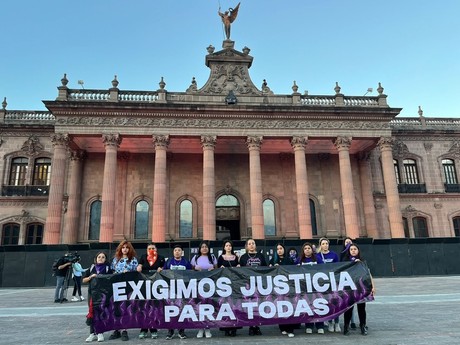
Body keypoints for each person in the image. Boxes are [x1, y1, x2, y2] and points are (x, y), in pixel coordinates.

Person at [342, 243, 376, 336]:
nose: (353, 251)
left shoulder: (362, 262)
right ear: (349, 251)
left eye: (355, 249)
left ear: (358, 251)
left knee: (362, 309)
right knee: (348, 308)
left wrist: (373, 286)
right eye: (351, 249)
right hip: (349, 289)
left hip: (361, 288)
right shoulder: (345, 262)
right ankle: (346, 327)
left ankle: (363, 326)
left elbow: (368, 274)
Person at [108, 240, 138, 342]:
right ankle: (117, 330)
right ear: (120, 249)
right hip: (116, 286)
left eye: (127, 247)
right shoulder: (115, 260)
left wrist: (129, 273)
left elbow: (136, 274)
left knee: (125, 308)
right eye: (123, 247)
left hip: (127, 287)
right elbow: (112, 271)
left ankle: (125, 330)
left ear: (130, 249)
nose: (125, 249)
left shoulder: (133, 260)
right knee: (115, 308)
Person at [136, 242, 165, 339]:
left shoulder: (161, 258)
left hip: (156, 286)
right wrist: (139, 267)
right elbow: (139, 266)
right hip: (144, 286)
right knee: (144, 307)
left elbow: (165, 268)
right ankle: (143, 329)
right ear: (147, 250)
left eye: (153, 248)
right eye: (149, 248)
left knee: (154, 307)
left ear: (156, 249)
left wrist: (162, 269)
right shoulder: (143, 257)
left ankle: (153, 328)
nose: (151, 250)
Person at [83, 251, 113, 343]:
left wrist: (102, 277)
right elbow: (84, 280)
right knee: (92, 312)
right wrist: (91, 277)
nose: (100, 258)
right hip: (92, 293)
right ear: (95, 259)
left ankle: (100, 332)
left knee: (101, 312)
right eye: (99, 257)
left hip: (103, 294)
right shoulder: (91, 268)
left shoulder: (108, 268)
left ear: (105, 259)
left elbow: (112, 278)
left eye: (103, 257)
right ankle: (92, 333)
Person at [239, 238, 267, 336]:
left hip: (258, 284)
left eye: (253, 243)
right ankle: (251, 326)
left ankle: (257, 326)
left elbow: (266, 269)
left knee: (258, 305)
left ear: (255, 245)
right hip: (248, 284)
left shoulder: (260, 256)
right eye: (249, 244)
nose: (251, 245)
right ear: (246, 246)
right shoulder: (243, 257)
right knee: (250, 306)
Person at [163, 244, 192, 340]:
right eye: (175, 250)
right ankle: (170, 331)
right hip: (171, 289)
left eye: (179, 250)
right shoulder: (168, 262)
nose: (177, 252)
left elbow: (190, 275)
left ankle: (181, 331)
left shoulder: (186, 262)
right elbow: (163, 273)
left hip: (182, 290)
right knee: (171, 310)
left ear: (182, 252)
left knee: (182, 310)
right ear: (173, 252)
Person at [296, 242, 325, 334]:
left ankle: (320, 325)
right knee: (308, 306)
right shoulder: (299, 260)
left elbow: (324, 269)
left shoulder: (318, 259)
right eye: (305, 248)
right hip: (305, 287)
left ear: (312, 250)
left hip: (316, 287)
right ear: (303, 251)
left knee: (318, 306)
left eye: (309, 248)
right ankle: (309, 325)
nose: (307, 250)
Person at [190, 241, 217, 338]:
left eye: (206, 247)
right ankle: (200, 328)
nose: (204, 248)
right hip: (198, 285)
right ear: (199, 249)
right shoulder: (195, 258)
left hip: (209, 285)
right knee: (199, 306)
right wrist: (195, 268)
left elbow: (217, 269)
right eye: (202, 247)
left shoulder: (212, 257)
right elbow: (191, 269)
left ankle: (207, 328)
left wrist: (213, 268)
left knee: (208, 306)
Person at [269, 243, 295, 337]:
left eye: (281, 248)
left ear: (284, 249)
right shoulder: (273, 260)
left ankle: (290, 329)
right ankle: (282, 327)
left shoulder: (289, 260)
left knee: (289, 307)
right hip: (278, 289)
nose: (279, 250)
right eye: (278, 249)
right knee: (280, 307)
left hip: (288, 288)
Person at [317, 237, 341, 333]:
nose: (325, 245)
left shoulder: (334, 255)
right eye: (323, 244)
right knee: (328, 302)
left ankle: (337, 322)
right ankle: (330, 322)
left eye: (326, 243)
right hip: (323, 283)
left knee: (335, 302)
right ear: (320, 245)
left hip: (333, 282)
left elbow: (338, 267)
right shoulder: (318, 255)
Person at [217, 240, 240, 337]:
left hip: (234, 285)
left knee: (234, 306)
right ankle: (226, 328)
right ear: (224, 247)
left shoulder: (236, 257)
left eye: (230, 245)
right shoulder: (221, 257)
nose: (228, 247)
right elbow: (217, 270)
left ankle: (234, 328)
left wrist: (239, 266)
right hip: (224, 285)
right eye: (226, 245)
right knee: (225, 306)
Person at [340, 236, 357, 329]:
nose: (348, 244)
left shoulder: (358, 256)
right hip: (346, 282)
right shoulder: (343, 255)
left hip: (356, 282)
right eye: (346, 242)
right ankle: (347, 322)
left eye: (349, 242)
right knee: (347, 303)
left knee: (354, 303)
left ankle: (353, 321)